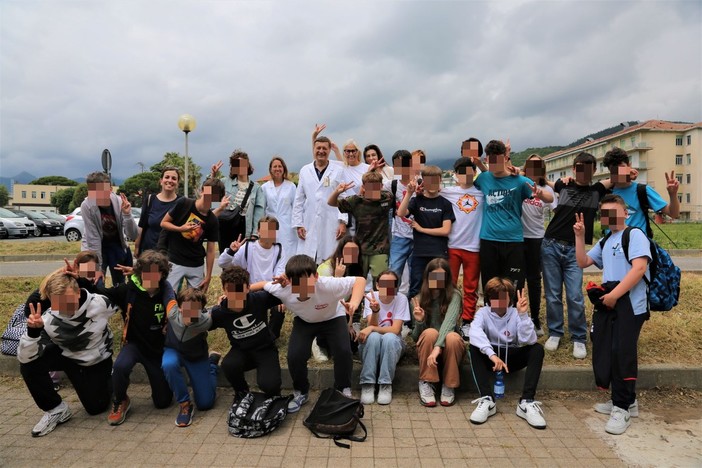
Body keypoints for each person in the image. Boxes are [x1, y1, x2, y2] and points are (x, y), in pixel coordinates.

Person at [575, 194, 651, 435]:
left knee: (622, 352)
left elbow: (639, 268)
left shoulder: (635, 235)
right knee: (608, 349)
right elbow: (583, 261)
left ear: (625, 212)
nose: (610, 217)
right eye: (605, 213)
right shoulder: (607, 239)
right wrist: (579, 236)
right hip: (611, 302)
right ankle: (628, 401)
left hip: (631, 303)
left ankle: (622, 408)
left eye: (615, 211)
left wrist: (616, 294)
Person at [18, 271, 120, 437]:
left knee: (96, 408)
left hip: (95, 361)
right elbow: (24, 357)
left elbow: (124, 300)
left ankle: (110, 378)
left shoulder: (100, 303)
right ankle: (56, 409)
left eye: (68, 300)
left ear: (78, 292)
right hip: (67, 356)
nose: (66, 308)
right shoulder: (48, 319)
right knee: (29, 364)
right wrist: (32, 333)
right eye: (59, 303)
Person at [259, 254, 365, 413]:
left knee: (343, 351)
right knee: (295, 356)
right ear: (289, 280)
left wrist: (354, 303)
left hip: (333, 318)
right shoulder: (284, 289)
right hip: (305, 321)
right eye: (297, 283)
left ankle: (343, 388)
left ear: (316, 276)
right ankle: (301, 392)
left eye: (305, 281)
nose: (301, 287)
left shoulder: (327, 284)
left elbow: (360, 281)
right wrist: (230, 295)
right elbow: (260, 284)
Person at [90, 250, 176, 426]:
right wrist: (83, 277)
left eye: (155, 272)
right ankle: (120, 399)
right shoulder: (128, 290)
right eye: (146, 272)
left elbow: (187, 306)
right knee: (120, 366)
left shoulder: (167, 291)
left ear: (162, 274)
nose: (150, 276)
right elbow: (99, 292)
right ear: (140, 272)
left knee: (163, 402)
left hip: (156, 349)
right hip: (134, 344)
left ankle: (160, 388)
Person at [541, 152, 607, 358]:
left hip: (574, 250)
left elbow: (616, 178)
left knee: (575, 295)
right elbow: (542, 179)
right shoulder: (563, 185)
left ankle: (579, 337)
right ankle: (555, 332)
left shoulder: (598, 190)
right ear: (573, 169)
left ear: (594, 171)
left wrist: (628, 171)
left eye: (588, 168)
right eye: (579, 168)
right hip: (550, 244)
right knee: (552, 294)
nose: (583, 172)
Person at [473, 140, 553, 293]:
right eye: (491, 161)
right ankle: (491, 316)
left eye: (498, 160)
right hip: (489, 240)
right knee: (490, 287)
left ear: (505, 158)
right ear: (487, 160)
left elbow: (549, 198)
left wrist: (541, 194)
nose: (495, 165)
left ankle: (515, 315)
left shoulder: (520, 181)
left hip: (513, 241)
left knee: (514, 287)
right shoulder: (483, 179)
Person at [468, 277, 546, 429]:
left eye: (503, 297)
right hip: (492, 357)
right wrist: (492, 355)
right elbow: (475, 333)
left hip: (512, 355)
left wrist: (523, 315)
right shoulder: (483, 313)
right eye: (494, 297)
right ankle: (487, 399)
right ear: (489, 299)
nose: (499, 301)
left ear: (510, 297)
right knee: (473, 347)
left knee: (537, 349)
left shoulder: (516, 313)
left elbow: (528, 340)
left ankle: (526, 402)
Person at [211, 266, 283, 400]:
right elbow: (199, 323)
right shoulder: (219, 312)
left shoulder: (259, 299)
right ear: (224, 290)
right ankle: (242, 392)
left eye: (239, 289)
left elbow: (287, 293)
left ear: (248, 288)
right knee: (229, 365)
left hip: (265, 349)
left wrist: (285, 282)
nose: (235, 295)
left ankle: (274, 395)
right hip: (241, 351)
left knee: (270, 386)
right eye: (230, 290)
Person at [218, 216, 287, 340]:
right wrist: (231, 252)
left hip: (270, 290)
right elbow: (223, 264)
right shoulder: (248, 247)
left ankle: (270, 337)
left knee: (279, 308)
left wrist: (280, 297)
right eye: (265, 229)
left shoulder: (279, 250)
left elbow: (278, 276)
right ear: (258, 231)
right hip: (249, 290)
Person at [162, 287, 219, 428]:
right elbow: (166, 287)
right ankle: (185, 405)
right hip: (173, 350)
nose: (191, 313)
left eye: (196, 309)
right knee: (168, 364)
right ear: (179, 307)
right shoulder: (172, 313)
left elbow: (219, 310)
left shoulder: (206, 321)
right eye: (187, 308)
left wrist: (222, 301)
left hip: (196, 356)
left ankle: (212, 364)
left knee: (206, 403)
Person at [397, 166, 456, 303]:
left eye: (435, 180)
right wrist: (409, 193)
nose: (432, 184)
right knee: (416, 287)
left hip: (438, 254)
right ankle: (413, 322)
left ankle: (437, 319)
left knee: (438, 288)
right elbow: (400, 213)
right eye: (429, 181)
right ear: (423, 182)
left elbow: (445, 230)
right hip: (419, 253)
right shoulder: (417, 201)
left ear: (440, 180)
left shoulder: (445, 204)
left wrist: (422, 229)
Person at [410, 258, 464, 407]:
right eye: (434, 276)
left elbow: (449, 324)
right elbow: (416, 337)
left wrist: (437, 348)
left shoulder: (454, 295)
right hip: (428, 352)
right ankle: (426, 381)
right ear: (427, 277)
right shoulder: (418, 299)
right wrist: (420, 321)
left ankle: (449, 384)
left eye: (442, 276)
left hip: (449, 349)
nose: (437, 280)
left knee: (452, 336)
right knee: (430, 333)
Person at [441, 156, 484, 336]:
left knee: (470, 287)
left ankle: (467, 321)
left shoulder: (482, 193)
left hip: (474, 247)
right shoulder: (448, 191)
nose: (465, 175)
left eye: (469, 171)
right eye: (460, 172)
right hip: (452, 246)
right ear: (455, 174)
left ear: (474, 173)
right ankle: (448, 318)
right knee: (449, 285)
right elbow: (428, 189)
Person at [357, 270, 409, 405]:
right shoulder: (371, 296)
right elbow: (371, 325)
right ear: (378, 285)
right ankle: (368, 383)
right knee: (373, 337)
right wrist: (375, 311)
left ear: (396, 287)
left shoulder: (401, 299)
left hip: (393, 344)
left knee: (389, 337)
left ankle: (385, 384)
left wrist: (372, 328)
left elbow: (396, 329)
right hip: (372, 345)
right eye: (383, 284)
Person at [293, 133, 347, 263]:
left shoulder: (338, 170)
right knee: (307, 260)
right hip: (309, 221)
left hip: (331, 220)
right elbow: (299, 199)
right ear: (314, 149)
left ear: (329, 150)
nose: (321, 151)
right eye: (318, 148)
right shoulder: (305, 170)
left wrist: (342, 222)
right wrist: (298, 224)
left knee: (329, 260)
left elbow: (343, 198)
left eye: (324, 148)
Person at [329, 170, 393, 281]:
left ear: (381, 186)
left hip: (380, 250)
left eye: (376, 187)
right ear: (363, 187)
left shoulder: (387, 198)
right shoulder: (356, 201)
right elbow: (331, 203)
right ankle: (355, 299)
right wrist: (337, 192)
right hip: (360, 250)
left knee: (381, 281)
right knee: (355, 280)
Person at [160, 178, 222, 293]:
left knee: (195, 302)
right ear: (202, 191)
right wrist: (180, 229)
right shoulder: (184, 203)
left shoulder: (213, 220)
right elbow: (163, 223)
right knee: (169, 297)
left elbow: (211, 250)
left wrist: (208, 276)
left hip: (196, 263)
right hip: (175, 260)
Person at [603, 147, 679, 236]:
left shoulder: (642, 190)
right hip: (612, 246)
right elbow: (608, 228)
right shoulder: (606, 193)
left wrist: (673, 194)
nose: (620, 172)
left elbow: (673, 214)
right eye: (615, 170)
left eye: (622, 168)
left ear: (629, 165)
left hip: (638, 246)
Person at [80, 171, 138, 285]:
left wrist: (127, 214)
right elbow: (93, 238)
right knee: (90, 280)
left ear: (110, 189)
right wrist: (97, 268)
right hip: (92, 246)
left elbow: (133, 235)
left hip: (116, 245)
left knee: (120, 283)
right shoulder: (86, 205)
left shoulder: (119, 202)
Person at [520, 155, 556, 336]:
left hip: (536, 239)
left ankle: (535, 318)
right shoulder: (519, 182)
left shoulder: (545, 188)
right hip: (517, 238)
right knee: (517, 280)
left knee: (534, 280)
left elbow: (556, 209)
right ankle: (518, 317)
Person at [209, 150, 266, 254]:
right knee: (226, 259)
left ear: (248, 165)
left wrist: (255, 234)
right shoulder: (224, 182)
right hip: (225, 226)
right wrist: (213, 176)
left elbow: (259, 212)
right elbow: (210, 200)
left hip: (245, 227)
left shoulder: (256, 188)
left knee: (244, 260)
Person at [384, 150, 415, 293]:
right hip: (399, 236)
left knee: (416, 276)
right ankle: (391, 306)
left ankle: (412, 310)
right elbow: (367, 188)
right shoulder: (391, 185)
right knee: (394, 272)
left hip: (418, 235)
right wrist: (370, 170)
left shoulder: (421, 183)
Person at [135, 166, 181, 257]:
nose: (170, 180)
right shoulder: (150, 199)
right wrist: (137, 247)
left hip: (171, 255)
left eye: (174, 178)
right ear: (161, 181)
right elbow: (141, 226)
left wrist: (212, 177)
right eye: (167, 177)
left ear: (177, 183)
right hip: (149, 253)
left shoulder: (181, 202)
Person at [261, 156, 298, 259]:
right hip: (269, 226)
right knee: (270, 255)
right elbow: (262, 210)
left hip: (288, 226)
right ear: (271, 169)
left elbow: (296, 207)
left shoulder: (291, 186)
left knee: (288, 254)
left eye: (280, 166)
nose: (277, 169)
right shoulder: (264, 187)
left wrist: (298, 225)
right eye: (275, 166)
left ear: (284, 168)